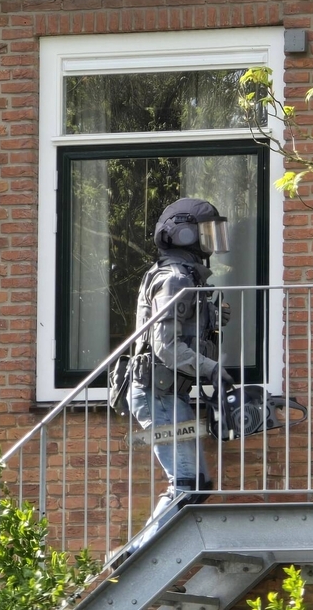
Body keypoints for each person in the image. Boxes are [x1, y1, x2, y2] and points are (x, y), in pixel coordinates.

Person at [129, 197, 234, 530]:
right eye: (206, 232)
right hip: (157, 394)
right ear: (186, 235)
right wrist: (212, 369)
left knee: (198, 484)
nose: (212, 241)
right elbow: (166, 347)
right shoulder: (175, 279)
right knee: (185, 485)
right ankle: (136, 555)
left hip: (169, 394)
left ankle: (141, 552)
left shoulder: (185, 278)